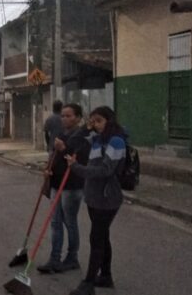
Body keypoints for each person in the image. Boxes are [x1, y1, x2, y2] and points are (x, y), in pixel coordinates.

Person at [65, 106, 126, 295]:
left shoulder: (116, 142)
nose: (96, 125)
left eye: (99, 120)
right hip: (93, 197)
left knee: (96, 238)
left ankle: (88, 283)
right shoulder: (97, 140)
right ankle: (105, 276)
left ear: (110, 120)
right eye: (93, 121)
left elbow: (106, 170)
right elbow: (74, 141)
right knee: (103, 236)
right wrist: (86, 127)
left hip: (107, 198)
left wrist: (77, 168)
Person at [37, 103, 90, 274]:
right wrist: (47, 168)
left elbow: (81, 158)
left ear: (79, 117)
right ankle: (54, 258)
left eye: (69, 116)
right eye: (63, 115)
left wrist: (64, 148)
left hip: (72, 185)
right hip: (56, 182)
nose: (65, 119)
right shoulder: (60, 133)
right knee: (55, 223)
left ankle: (72, 257)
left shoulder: (82, 136)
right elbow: (54, 154)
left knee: (70, 222)